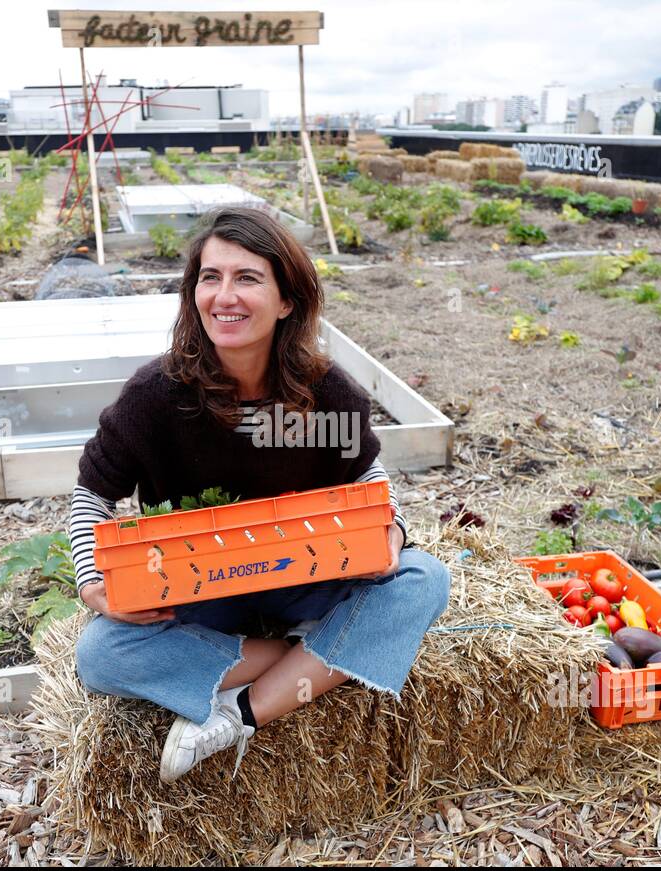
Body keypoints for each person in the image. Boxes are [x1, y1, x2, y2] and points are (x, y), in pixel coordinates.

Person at [70, 205, 451, 784]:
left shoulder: (325, 394)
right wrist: (93, 585)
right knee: (100, 653)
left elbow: (367, 479)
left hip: (307, 576)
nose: (225, 296)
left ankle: (239, 712)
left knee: (424, 580)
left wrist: (390, 533)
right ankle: (319, 657)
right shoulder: (156, 396)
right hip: (201, 590)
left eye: (247, 278)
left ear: (287, 300)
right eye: (210, 277)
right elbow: (91, 495)